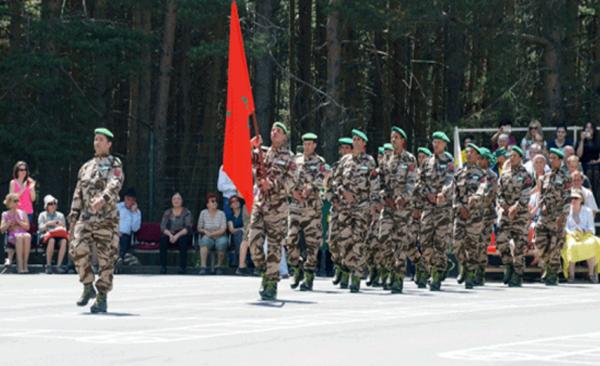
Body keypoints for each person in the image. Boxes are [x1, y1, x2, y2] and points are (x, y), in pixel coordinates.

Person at [68, 128, 124, 313]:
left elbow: (115, 183)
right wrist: (73, 215)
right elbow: (78, 192)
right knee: (77, 248)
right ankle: (87, 285)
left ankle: (102, 297)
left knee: (106, 259)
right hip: (86, 218)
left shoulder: (115, 163)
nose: (97, 142)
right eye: (95, 139)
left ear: (109, 144)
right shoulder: (86, 167)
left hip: (106, 220)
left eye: (101, 140)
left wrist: (103, 199)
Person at [248, 122, 295, 300]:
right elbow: (240, 159)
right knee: (253, 242)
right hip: (260, 204)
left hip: (277, 208)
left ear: (285, 137)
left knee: (274, 247)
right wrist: (250, 145)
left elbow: (291, 183)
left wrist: (273, 185)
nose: (275, 132)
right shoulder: (261, 153)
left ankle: (271, 283)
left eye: (279, 131)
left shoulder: (289, 158)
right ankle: (265, 272)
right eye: (273, 129)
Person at [331, 129, 381, 293]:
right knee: (343, 241)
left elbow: (374, 186)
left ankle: (357, 275)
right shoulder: (345, 160)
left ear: (364, 143)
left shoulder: (369, 161)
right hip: (345, 207)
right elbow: (335, 181)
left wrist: (374, 206)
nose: (356, 142)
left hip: (362, 207)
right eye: (354, 139)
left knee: (358, 241)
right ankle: (348, 267)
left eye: (359, 139)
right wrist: (341, 192)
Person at [378, 126, 417, 293]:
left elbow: (412, 182)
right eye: (392, 137)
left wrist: (404, 197)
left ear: (403, 141)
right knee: (383, 238)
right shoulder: (386, 158)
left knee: (400, 242)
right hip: (388, 206)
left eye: (396, 137)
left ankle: (398, 277)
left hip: (403, 208)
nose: (393, 140)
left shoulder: (410, 159)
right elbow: (381, 181)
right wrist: (383, 196)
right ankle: (389, 269)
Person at [414, 131, 454, 291]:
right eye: (434, 141)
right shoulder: (427, 162)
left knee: (440, 241)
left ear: (445, 144)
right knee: (424, 240)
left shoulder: (449, 161)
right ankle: (438, 265)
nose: (435, 144)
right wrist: (427, 194)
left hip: (443, 208)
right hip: (428, 207)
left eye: (439, 142)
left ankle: (436, 275)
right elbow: (419, 181)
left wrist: (442, 194)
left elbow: (450, 180)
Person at [287, 132, 327, 291]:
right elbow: (288, 178)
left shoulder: (320, 162)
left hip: (312, 209)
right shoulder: (295, 161)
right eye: (305, 144)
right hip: (296, 207)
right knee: (290, 240)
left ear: (315, 145)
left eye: (310, 144)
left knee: (312, 243)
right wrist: (292, 192)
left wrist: (310, 188)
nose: (307, 147)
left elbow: (322, 180)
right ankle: (297, 268)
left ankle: (309, 275)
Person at [496, 146, 535, 287]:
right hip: (506, 214)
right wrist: (504, 206)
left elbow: (525, 195)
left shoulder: (526, 175)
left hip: (520, 215)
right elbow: (499, 193)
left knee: (519, 245)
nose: (511, 158)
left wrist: (516, 207)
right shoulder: (504, 175)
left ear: (520, 158)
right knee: (501, 241)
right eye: (509, 156)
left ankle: (518, 274)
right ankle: (508, 265)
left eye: (513, 156)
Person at [453, 144, 487, 289]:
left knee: (473, 246)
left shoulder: (481, 174)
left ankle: (471, 274)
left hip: (474, 215)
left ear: (477, 156)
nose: (469, 154)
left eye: (472, 152)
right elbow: (454, 193)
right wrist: (459, 207)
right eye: (467, 152)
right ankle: (465, 265)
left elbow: (482, 190)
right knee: (456, 244)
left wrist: (474, 200)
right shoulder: (459, 173)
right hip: (461, 214)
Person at [536, 148, 571, 285]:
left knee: (555, 245)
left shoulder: (566, 176)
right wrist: (542, 204)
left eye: (554, 158)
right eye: (550, 158)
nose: (551, 160)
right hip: (545, 215)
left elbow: (568, 197)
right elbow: (543, 194)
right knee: (539, 241)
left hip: (558, 215)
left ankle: (552, 273)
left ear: (560, 160)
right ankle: (547, 264)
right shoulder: (547, 175)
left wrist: (563, 215)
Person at [325, 137, 353, 286]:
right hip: (336, 210)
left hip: (350, 211)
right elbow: (327, 188)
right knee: (331, 241)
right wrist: (333, 200)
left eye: (347, 148)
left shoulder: (354, 167)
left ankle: (346, 271)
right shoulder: (335, 168)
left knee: (346, 241)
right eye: (342, 148)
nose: (344, 151)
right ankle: (339, 264)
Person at [562, 189, 600, 283]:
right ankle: (571, 275)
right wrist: (572, 233)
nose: (573, 200)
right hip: (571, 235)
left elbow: (592, 228)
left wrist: (583, 231)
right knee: (571, 246)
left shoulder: (587, 211)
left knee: (591, 244)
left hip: (585, 235)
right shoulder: (567, 210)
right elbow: (565, 227)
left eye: (576, 198)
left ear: (581, 200)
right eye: (572, 198)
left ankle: (591, 274)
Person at [477, 148, 497, 286]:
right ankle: (469, 269)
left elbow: (489, 195)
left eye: (482, 158)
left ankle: (479, 272)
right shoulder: (473, 173)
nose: (479, 160)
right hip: (472, 215)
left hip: (486, 215)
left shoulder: (492, 176)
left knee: (482, 244)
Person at [159, 192, 193, 275]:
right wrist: (171, 235)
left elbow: (188, 228)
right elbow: (163, 227)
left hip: (182, 234)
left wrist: (177, 236)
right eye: (174, 199)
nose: (176, 200)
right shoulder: (167, 212)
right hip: (170, 234)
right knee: (163, 240)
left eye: (178, 199)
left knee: (183, 240)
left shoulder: (187, 212)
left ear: (182, 201)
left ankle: (182, 267)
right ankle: (163, 267)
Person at [197, 193, 228, 275]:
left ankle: (219, 266)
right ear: (207, 204)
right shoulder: (203, 213)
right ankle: (203, 267)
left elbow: (223, 229)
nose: (215, 203)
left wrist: (212, 234)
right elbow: (199, 227)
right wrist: (205, 232)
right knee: (204, 241)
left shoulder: (221, 213)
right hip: (207, 235)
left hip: (220, 235)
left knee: (222, 243)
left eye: (216, 201)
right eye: (212, 201)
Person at [1, 193, 31, 273]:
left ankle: (25, 265)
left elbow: (27, 227)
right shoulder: (5, 214)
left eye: (17, 200)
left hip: (23, 234)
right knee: (19, 237)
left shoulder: (23, 213)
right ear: (9, 202)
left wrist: (18, 222)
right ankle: (20, 266)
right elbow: (2, 230)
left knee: (28, 236)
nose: (17, 202)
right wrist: (8, 223)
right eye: (15, 201)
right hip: (12, 236)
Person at [38, 195, 68, 274]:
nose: (53, 205)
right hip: (46, 236)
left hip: (58, 235)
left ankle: (59, 266)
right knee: (51, 240)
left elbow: (64, 229)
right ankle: (48, 265)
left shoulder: (60, 215)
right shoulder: (42, 215)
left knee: (64, 241)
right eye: (51, 204)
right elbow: (40, 228)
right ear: (46, 205)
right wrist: (48, 224)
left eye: (54, 203)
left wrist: (59, 226)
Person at [227, 196, 250, 275]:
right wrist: (241, 229)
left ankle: (239, 262)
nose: (236, 202)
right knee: (239, 234)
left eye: (237, 200)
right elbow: (231, 230)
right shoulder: (230, 216)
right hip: (237, 236)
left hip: (246, 233)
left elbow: (247, 224)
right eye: (233, 201)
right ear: (230, 205)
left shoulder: (244, 210)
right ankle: (243, 262)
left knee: (242, 236)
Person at [117, 188, 141, 261]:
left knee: (124, 239)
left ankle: (119, 260)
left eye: (131, 200)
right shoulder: (117, 207)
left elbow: (135, 229)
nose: (129, 202)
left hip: (126, 236)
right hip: (114, 232)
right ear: (124, 198)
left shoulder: (137, 212)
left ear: (134, 201)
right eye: (127, 199)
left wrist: (134, 213)